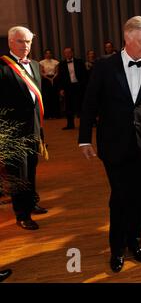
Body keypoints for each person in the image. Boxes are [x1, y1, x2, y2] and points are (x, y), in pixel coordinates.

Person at [78, 16, 141, 273]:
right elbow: (89, 104)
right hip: (113, 143)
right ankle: (117, 247)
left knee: (140, 195)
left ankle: (135, 241)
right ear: (127, 38)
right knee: (119, 196)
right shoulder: (105, 66)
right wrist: (84, 138)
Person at [0, 26, 46, 230]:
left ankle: (31, 202)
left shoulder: (35, 65)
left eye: (28, 42)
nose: (25, 46)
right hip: (13, 132)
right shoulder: (2, 67)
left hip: (34, 129)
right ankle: (22, 214)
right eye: (21, 41)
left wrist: (41, 130)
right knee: (18, 173)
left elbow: (36, 102)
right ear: (10, 42)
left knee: (32, 169)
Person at [57, 47, 87, 130]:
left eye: (69, 52)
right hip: (68, 87)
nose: (68, 54)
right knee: (69, 107)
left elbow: (84, 75)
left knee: (81, 106)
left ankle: (83, 124)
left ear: (72, 53)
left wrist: (84, 86)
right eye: (66, 53)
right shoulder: (62, 64)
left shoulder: (79, 62)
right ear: (64, 54)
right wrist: (61, 89)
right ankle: (70, 125)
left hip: (79, 86)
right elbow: (60, 77)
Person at [39, 49, 60, 119]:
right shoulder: (42, 62)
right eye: (46, 53)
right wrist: (48, 79)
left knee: (54, 97)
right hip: (45, 80)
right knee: (46, 98)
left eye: (49, 53)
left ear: (51, 54)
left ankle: (55, 114)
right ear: (45, 54)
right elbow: (41, 72)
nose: (48, 55)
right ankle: (48, 115)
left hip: (54, 79)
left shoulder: (55, 62)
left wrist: (53, 78)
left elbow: (57, 72)